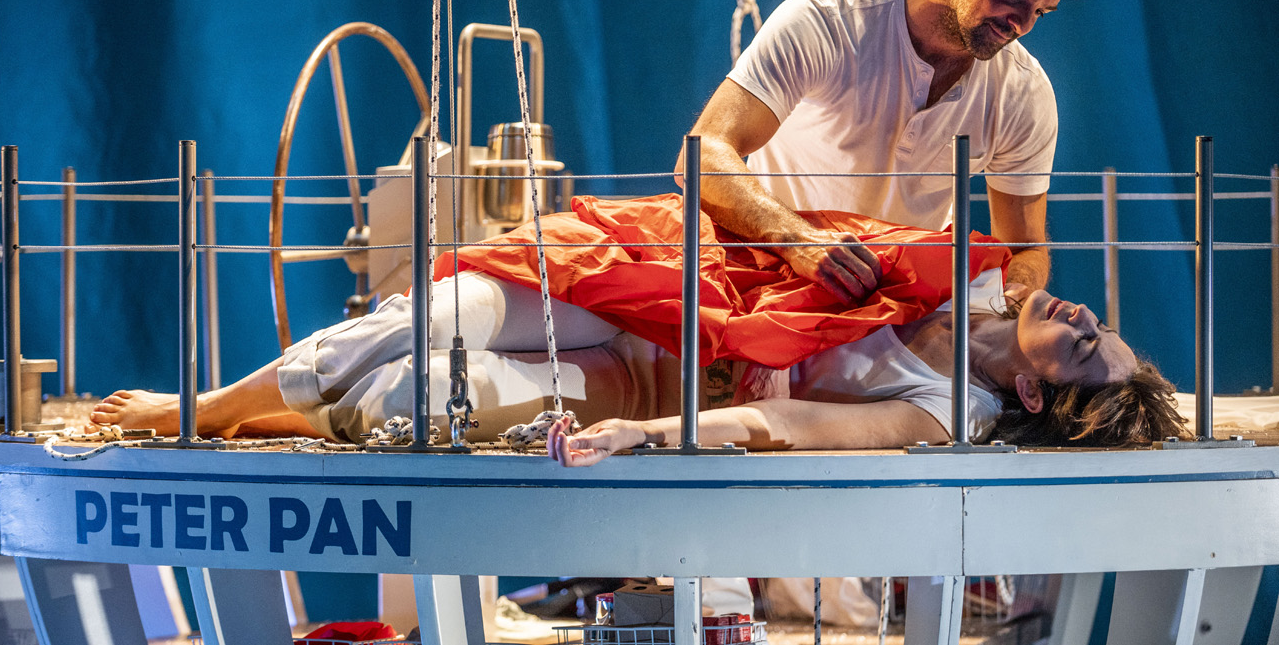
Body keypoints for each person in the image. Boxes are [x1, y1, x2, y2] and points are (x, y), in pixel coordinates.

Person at [89, 195, 1186, 460]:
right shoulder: (970, 277)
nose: (1084, 317)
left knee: (413, 397)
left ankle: (276, 422)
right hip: (653, 289)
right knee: (435, 312)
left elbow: (787, 425)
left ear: (1036, 397)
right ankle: (208, 411)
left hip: (654, 382)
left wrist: (646, 437)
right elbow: (784, 225)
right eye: (1101, 323)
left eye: (1084, 347)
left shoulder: (941, 411)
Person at [683, 0, 1102, 307]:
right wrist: (799, 242)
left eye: (1041, 12)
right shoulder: (827, 21)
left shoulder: (1024, 92)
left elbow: (1023, 248)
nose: (1022, 24)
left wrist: (1011, 303)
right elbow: (702, 154)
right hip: (769, 289)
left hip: (902, 315)